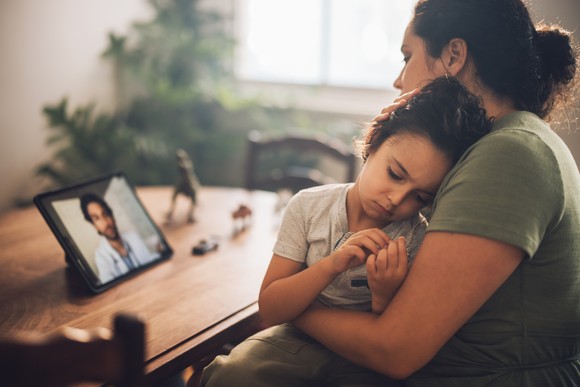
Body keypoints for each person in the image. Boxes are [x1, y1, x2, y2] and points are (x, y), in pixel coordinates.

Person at [202, 0, 580, 385]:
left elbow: (395, 350)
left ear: (453, 55)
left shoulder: (508, 154)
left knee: (231, 374)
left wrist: (293, 306)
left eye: (407, 56)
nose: (399, 81)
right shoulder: (504, 143)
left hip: (480, 377)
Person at [201, 76, 493, 386]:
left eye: (420, 197)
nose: (396, 200)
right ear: (373, 142)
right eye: (395, 174)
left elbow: (392, 337)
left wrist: (383, 294)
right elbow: (272, 308)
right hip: (291, 341)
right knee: (232, 374)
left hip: (361, 357)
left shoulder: (416, 238)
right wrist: (332, 264)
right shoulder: (308, 207)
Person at [80, 193, 160, 284]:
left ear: (112, 216)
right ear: (95, 226)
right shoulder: (101, 256)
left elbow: (149, 260)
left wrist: (160, 251)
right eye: (96, 219)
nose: (106, 223)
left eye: (105, 214)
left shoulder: (133, 237)